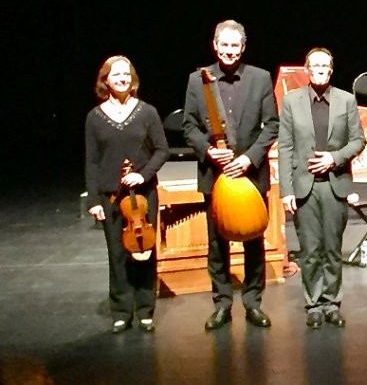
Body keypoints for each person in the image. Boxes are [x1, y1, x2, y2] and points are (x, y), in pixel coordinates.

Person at [182, 20, 280, 330]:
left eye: (234, 45)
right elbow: (189, 127)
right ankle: (222, 304)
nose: (228, 51)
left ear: (243, 48)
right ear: (214, 45)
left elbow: (273, 125)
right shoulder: (198, 81)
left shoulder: (261, 78)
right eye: (223, 45)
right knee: (217, 243)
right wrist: (208, 152)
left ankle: (253, 303)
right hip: (215, 174)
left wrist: (249, 159)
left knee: (254, 240)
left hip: (250, 175)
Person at [279, 48, 366, 329]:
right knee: (310, 249)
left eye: (324, 66)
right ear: (306, 69)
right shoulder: (292, 102)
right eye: (314, 65)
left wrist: (334, 158)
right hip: (304, 186)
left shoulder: (346, 100)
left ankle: (332, 303)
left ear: (331, 69)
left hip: (334, 184)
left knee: (332, 247)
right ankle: (314, 304)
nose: (319, 70)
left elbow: (358, 140)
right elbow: (285, 147)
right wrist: (286, 190)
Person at [86, 55, 169, 333]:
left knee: (144, 250)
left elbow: (162, 150)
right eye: (116, 74)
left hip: (143, 196)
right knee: (117, 253)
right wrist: (95, 201)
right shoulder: (94, 117)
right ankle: (121, 310)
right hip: (111, 196)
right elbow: (92, 161)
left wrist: (143, 174)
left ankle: (145, 309)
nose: (122, 78)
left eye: (126, 74)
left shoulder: (147, 112)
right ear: (105, 80)